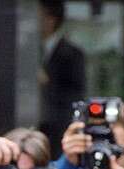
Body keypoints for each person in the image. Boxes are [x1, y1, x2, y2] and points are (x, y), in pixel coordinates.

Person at [38, 0, 86, 156]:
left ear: (51, 19)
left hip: (57, 130)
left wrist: (47, 82)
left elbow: (75, 95)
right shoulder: (29, 49)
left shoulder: (72, 54)